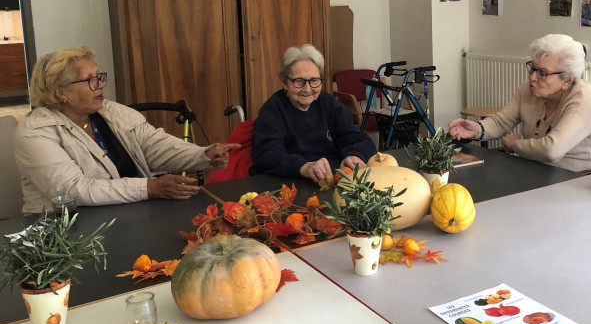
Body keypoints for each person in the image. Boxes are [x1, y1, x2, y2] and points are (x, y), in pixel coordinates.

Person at [16, 46, 239, 215]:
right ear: (60, 93)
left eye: (99, 77)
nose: (101, 84)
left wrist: (203, 155)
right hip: (61, 234)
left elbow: (154, 145)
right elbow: (74, 190)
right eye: (90, 80)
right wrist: (149, 188)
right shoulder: (35, 132)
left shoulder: (109, 111)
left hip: (122, 216)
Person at [448, 34, 591, 172]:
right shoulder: (529, 90)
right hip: (536, 172)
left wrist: (515, 145)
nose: (532, 77)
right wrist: (475, 129)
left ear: (567, 81)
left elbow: (551, 150)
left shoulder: (584, 100)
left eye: (542, 73)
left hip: (576, 183)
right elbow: (501, 122)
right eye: (532, 68)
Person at [251, 44, 375, 182]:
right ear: (285, 83)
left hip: (333, 178)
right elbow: (267, 154)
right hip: (291, 181)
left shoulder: (329, 103)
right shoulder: (273, 110)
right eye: (299, 81)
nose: (308, 89)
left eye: (314, 80)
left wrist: (354, 155)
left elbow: (359, 139)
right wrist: (303, 167)